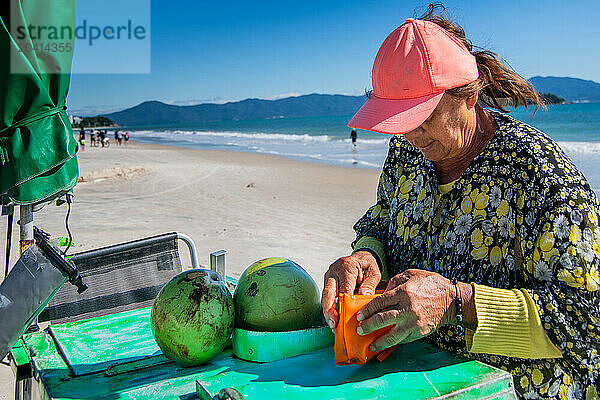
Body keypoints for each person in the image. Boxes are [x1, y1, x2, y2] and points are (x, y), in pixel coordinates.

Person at [321, 5, 599, 399]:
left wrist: (456, 302)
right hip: (422, 379)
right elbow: (383, 218)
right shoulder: (407, 151)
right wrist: (368, 256)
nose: (411, 132)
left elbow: (587, 318)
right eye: (397, 118)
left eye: (422, 114)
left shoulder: (540, 175)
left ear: (470, 91)